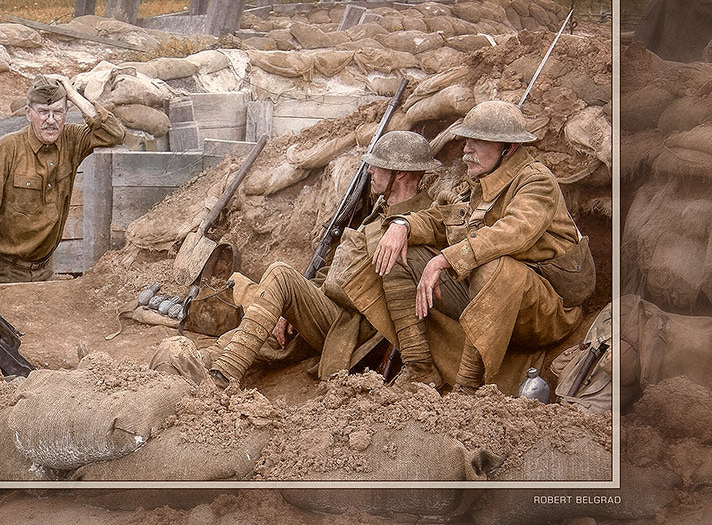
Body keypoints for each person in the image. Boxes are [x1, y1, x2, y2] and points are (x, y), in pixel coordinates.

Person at [372, 100, 588, 392]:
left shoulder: (537, 182)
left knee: (494, 266)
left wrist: (444, 260)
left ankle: (467, 388)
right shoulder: (479, 182)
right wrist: (403, 225)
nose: (466, 150)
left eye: (477, 142)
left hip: (543, 311)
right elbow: (440, 221)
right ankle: (419, 367)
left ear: (507, 149)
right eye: (466, 140)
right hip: (485, 296)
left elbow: (512, 233)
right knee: (401, 255)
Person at [207, 130, 441, 388]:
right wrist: (293, 305)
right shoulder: (381, 211)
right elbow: (338, 268)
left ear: (401, 173)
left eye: (378, 166)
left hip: (351, 327)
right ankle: (207, 365)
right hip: (330, 309)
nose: (370, 171)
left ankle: (223, 377)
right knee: (244, 336)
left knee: (280, 273)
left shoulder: (418, 220)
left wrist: (404, 226)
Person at [0, 74, 125, 285]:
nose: (51, 120)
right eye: (43, 112)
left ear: (67, 112)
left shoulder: (72, 139)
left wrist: (72, 94)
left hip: (45, 271)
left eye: (58, 112)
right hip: (1, 271)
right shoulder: (8, 147)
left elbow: (113, 133)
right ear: (28, 114)